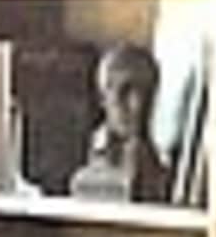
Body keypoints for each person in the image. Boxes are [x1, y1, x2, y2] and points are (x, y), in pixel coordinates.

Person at [69, 38, 165, 203]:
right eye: (125, 91)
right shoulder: (76, 154)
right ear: (102, 98)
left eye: (146, 91)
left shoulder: (163, 166)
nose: (137, 105)